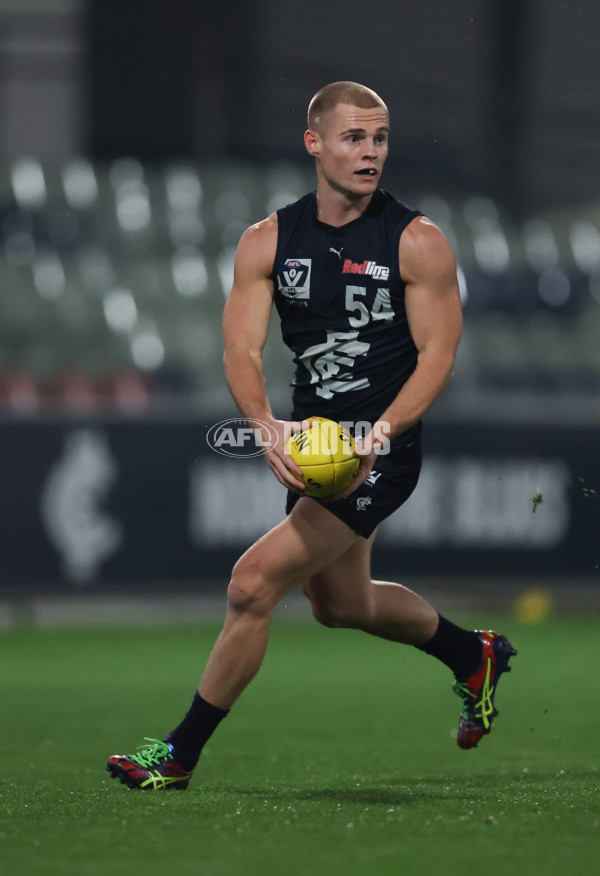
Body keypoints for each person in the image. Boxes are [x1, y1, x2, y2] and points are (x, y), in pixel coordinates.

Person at [107, 81, 516, 791]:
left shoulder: (417, 242)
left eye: (380, 138)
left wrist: (378, 436)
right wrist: (265, 428)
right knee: (340, 607)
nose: (370, 152)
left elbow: (439, 356)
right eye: (354, 137)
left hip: (381, 451)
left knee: (251, 583)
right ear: (315, 143)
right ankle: (470, 654)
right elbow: (240, 348)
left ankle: (178, 755)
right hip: (318, 451)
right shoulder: (269, 240)